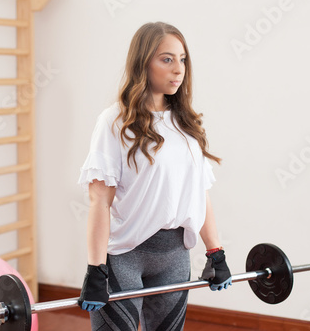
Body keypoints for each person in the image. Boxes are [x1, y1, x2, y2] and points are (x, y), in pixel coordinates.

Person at [77, 21, 232, 331]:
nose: (179, 69)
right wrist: (96, 269)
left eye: (182, 59)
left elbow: (199, 193)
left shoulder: (186, 125)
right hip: (125, 256)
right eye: (167, 59)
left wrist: (216, 253)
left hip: (174, 256)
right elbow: (99, 201)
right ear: (142, 63)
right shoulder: (114, 122)